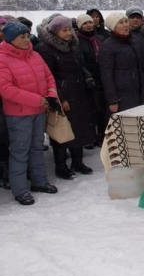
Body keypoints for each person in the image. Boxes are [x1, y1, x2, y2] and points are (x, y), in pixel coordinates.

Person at [0, 21, 59, 205]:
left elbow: (49, 77)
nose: (27, 39)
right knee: (20, 151)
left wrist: (50, 95)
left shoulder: (35, 55)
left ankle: (39, 181)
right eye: (21, 37)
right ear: (10, 40)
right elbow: (6, 89)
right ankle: (20, 190)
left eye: (27, 35)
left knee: (37, 147)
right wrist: (37, 99)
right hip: (18, 114)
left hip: (39, 110)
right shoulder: (2, 58)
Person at [37, 15, 96, 179]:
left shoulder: (72, 46)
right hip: (62, 94)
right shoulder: (45, 49)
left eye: (70, 29)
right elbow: (49, 76)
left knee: (79, 129)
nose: (69, 33)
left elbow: (80, 65)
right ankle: (61, 166)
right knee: (61, 131)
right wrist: (60, 98)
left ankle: (78, 162)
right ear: (55, 31)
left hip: (78, 91)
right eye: (64, 30)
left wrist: (87, 77)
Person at [99, 13, 144, 113]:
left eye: (125, 21)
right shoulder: (107, 46)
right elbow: (106, 76)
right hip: (122, 96)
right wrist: (112, 100)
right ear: (113, 27)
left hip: (139, 92)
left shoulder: (136, 41)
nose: (125, 25)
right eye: (120, 23)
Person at [75, 13, 106, 149]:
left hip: (101, 77)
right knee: (91, 110)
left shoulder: (100, 38)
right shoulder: (76, 41)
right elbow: (79, 61)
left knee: (101, 109)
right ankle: (91, 137)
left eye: (89, 23)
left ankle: (101, 135)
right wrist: (87, 75)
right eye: (85, 23)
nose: (88, 25)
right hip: (87, 80)